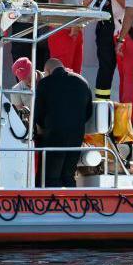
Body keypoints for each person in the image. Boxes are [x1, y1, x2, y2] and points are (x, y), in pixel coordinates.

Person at [33, 58, 93, 187]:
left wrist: (45, 127)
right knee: (69, 175)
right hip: (76, 136)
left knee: (51, 177)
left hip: (54, 135)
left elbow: (37, 114)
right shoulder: (82, 82)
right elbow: (88, 112)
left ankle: (52, 204)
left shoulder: (44, 84)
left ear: (47, 71)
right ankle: (72, 204)